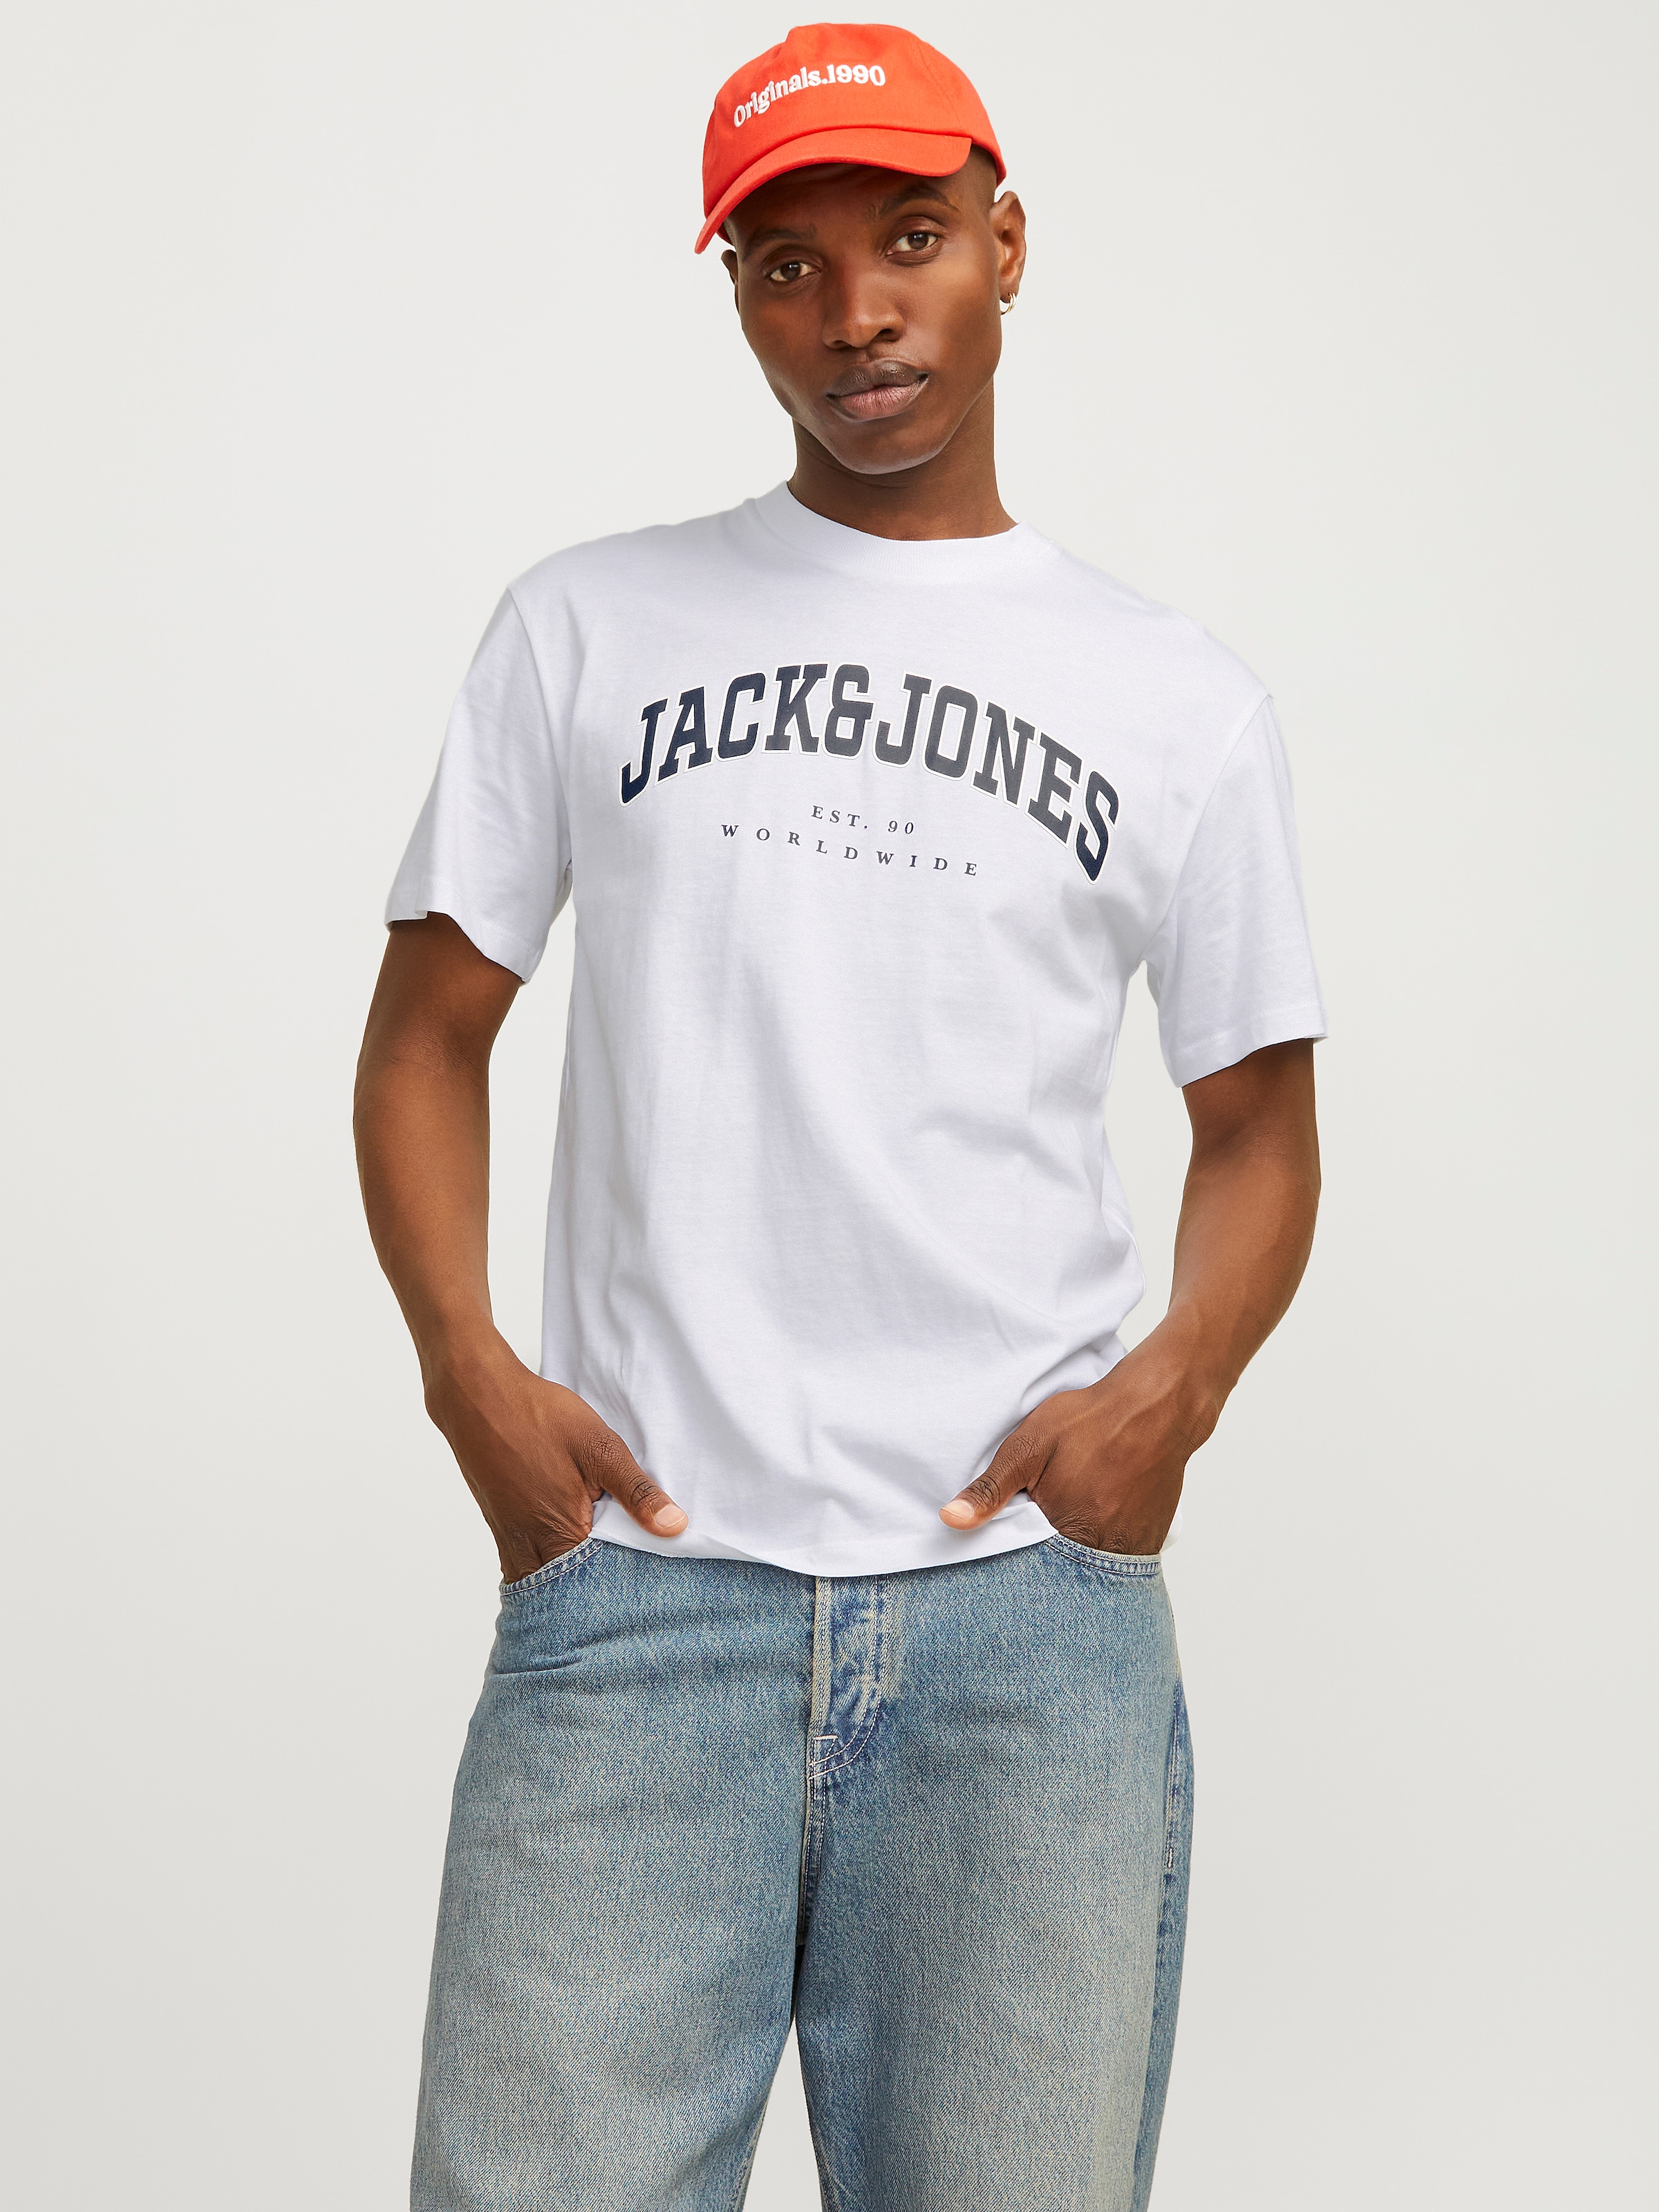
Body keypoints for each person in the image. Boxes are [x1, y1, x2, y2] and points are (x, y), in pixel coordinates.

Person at [354, 22, 1325, 2210]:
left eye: (907, 241)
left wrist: (1171, 1396)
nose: (856, 312)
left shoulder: (1175, 699)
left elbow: (1259, 1122)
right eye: (785, 266)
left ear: (1007, 246)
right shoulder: (583, 628)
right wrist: (465, 1374)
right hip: (640, 1605)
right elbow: (426, 1031)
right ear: (738, 297)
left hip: (1026, 1637)